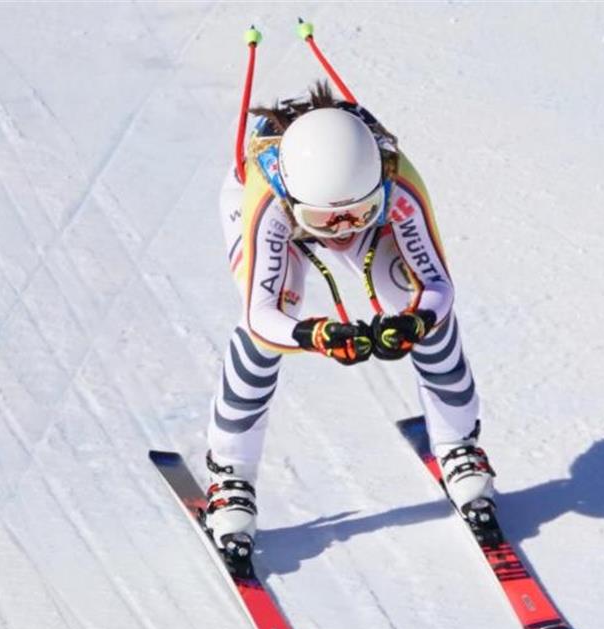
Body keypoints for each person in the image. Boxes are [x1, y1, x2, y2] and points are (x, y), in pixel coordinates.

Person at [203, 82, 495, 557]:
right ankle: (229, 473)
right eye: (327, 221)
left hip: (343, 206)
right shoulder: (268, 201)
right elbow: (261, 318)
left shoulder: (398, 184)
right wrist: (314, 334)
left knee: (413, 302)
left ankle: (460, 444)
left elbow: (438, 287)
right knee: (272, 326)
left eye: (356, 215)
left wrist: (414, 323)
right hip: (275, 216)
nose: (341, 232)